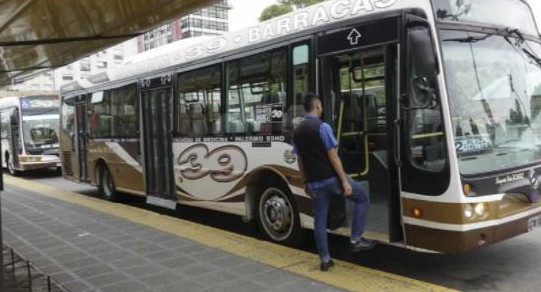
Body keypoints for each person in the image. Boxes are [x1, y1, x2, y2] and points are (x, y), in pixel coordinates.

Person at [293, 93, 374, 272]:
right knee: (362, 198)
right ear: (318, 106)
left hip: (314, 184)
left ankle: (325, 260)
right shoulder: (323, 127)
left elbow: (300, 160)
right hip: (331, 180)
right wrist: (344, 181)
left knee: (319, 222)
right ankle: (355, 239)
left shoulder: (297, 131)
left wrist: (305, 182)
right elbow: (333, 157)